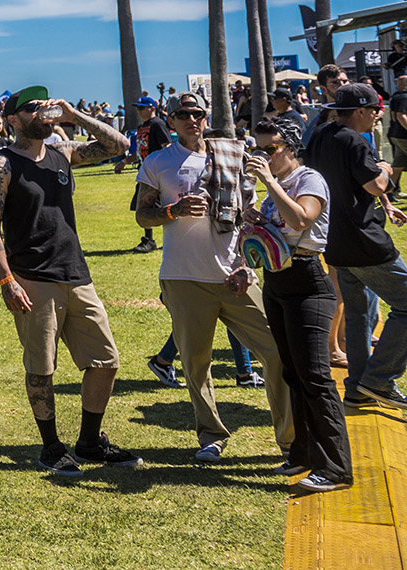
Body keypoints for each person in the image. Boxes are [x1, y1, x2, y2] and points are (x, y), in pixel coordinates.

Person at [0, 86, 139, 477]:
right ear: (14, 120)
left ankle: (88, 442)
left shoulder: (62, 153)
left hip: (76, 273)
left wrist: (74, 115)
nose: (42, 111)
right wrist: (6, 281)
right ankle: (51, 447)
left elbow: (118, 144)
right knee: (42, 367)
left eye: (44, 105)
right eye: (32, 107)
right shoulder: (1, 164)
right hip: (33, 278)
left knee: (106, 361)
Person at [134, 92, 293, 463]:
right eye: (183, 114)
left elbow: (251, 211)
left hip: (235, 273)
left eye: (198, 113)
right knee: (196, 362)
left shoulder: (232, 156)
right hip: (183, 277)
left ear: (206, 118)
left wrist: (247, 263)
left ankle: (289, 439)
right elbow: (143, 215)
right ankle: (211, 436)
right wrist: (173, 210)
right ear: (170, 121)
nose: (192, 119)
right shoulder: (159, 162)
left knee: (277, 352)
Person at [245, 117, 351, 493]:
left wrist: (270, 184)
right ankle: (303, 454)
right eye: (257, 149)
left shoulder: (309, 180)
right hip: (278, 281)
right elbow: (280, 231)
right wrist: (256, 222)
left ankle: (336, 468)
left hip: (308, 282)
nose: (262, 156)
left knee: (316, 377)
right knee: (292, 372)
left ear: (290, 147)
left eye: (270, 149)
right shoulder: (275, 186)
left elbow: (303, 217)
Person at [310, 81, 407, 411]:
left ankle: (357, 389)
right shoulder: (354, 141)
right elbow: (375, 183)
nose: (379, 117)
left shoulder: (322, 135)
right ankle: (379, 379)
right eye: (375, 111)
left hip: (335, 243)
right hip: (366, 243)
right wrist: (387, 169)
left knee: (359, 315)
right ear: (361, 112)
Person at [127, 96, 174, 254]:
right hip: (144, 173)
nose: (139, 111)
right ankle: (149, 239)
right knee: (143, 206)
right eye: (138, 108)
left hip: (157, 173)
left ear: (151, 108)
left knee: (160, 206)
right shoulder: (142, 127)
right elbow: (139, 150)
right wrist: (124, 161)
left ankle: (153, 240)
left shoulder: (158, 124)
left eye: (142, 108)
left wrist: (165, 170)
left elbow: (166, 146)